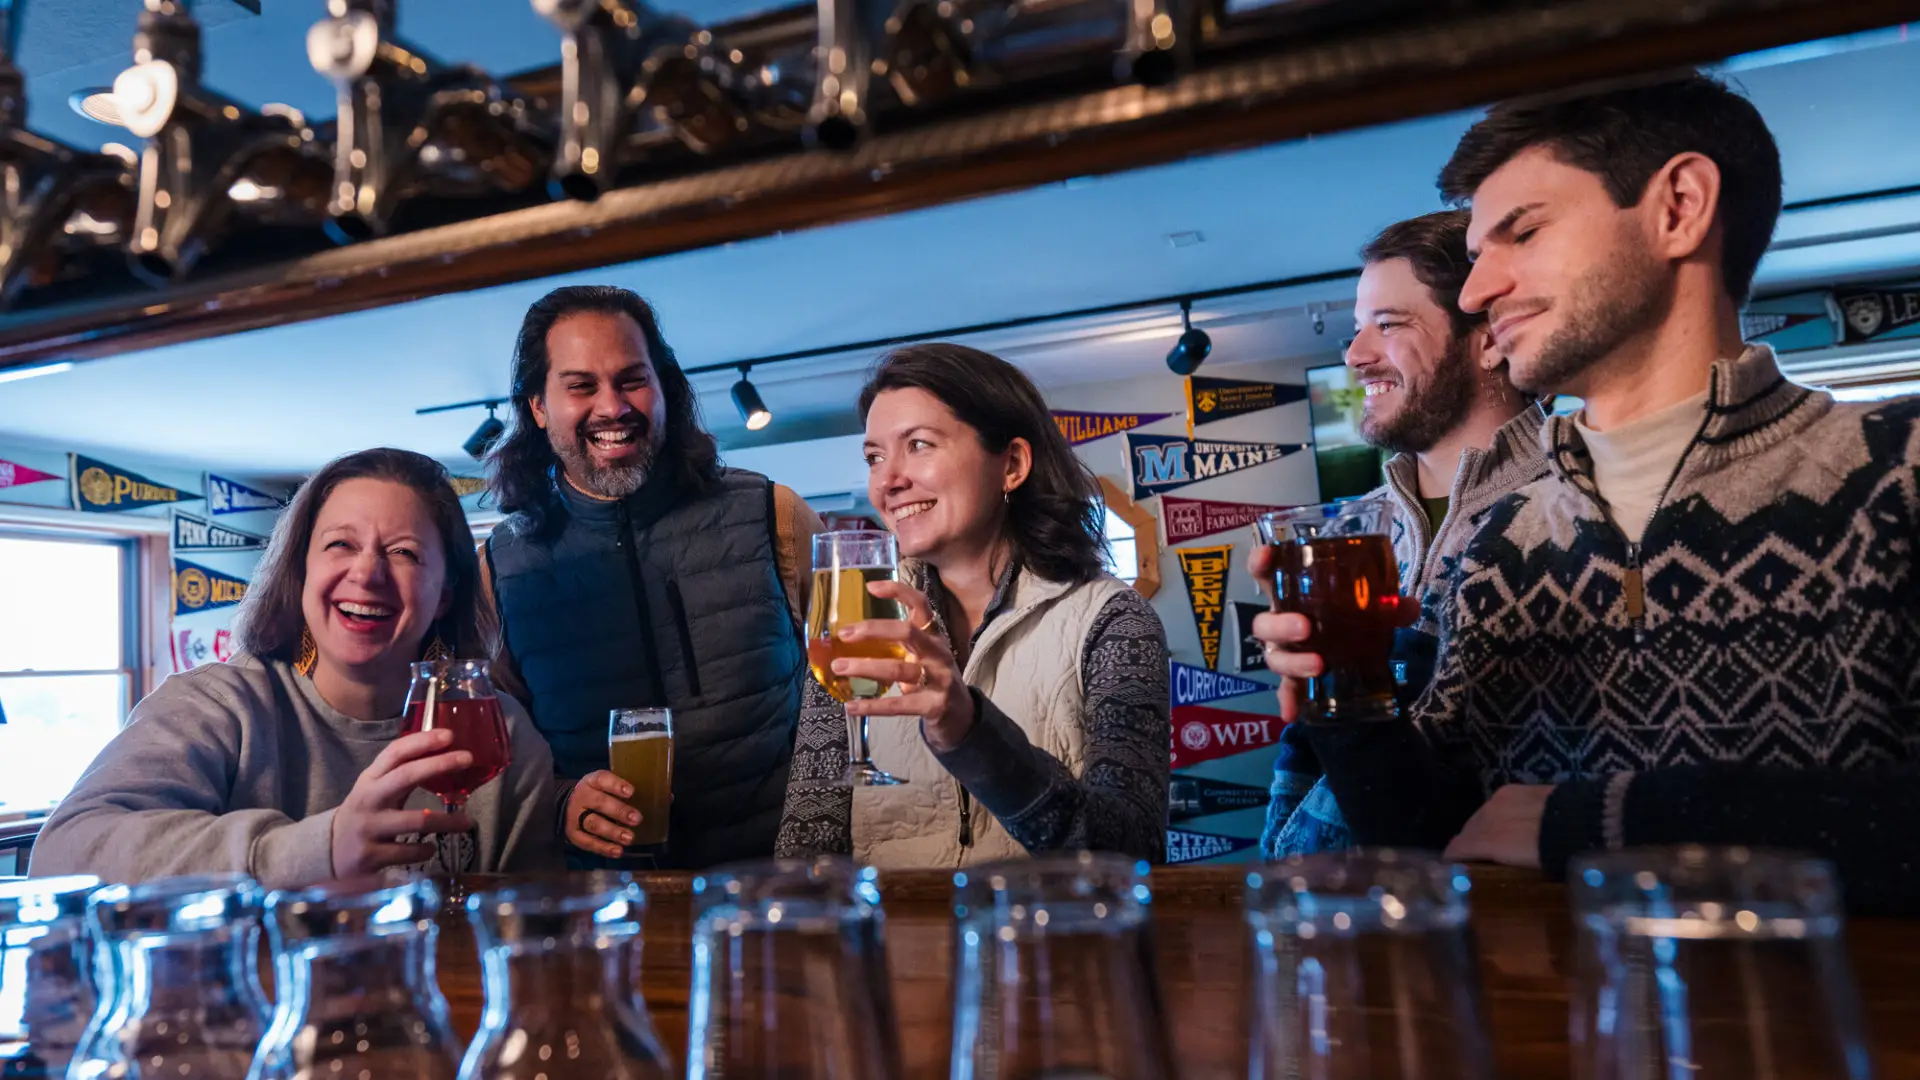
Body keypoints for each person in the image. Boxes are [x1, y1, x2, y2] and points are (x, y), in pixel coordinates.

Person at [1252, 74, 1920, 913]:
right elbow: (1438, 839)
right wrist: (1348, 700)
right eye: (1474, 257)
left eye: (1521, 232)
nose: (1474, 293)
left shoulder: (1897, 471)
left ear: (1679, 206)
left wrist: (1598, 822)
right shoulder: (1505, 544)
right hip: (1573, 1040)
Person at [31, 449, 562, 886]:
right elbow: (62, 855)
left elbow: (532, 936)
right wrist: (312, 850)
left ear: (445, 593)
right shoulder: (217, 707)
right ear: (301, 569)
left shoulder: (499, 733)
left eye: (403, 553)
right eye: (340, 545)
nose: (367, 573)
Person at [775, 343, 1171, 866]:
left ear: (1011, 465)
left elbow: (1131, 854)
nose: (888, 481)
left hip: (1045, 947)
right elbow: (806, 853)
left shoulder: (1114, 622)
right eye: (875, 457)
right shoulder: (853, 623)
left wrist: (971, 733)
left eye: (918, 444)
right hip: (895, 946)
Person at [482, 285, 822, 870]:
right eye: (581, 386)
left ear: (664, 388)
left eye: (632, 379)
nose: (613, 407)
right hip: (604, 913)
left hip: (778, 892)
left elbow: (862, 689)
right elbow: (503, 753)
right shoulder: (499, 566)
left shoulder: (774, 512)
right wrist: (560, 802)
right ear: (538, 407)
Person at [1263, 209, 1549, 859]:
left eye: (1387, 326)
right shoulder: (1356, 527)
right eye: (1356, 330)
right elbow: (1302, 750)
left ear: (1489, 338)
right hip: (1339, 924)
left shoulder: (1576, 508)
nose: (1355, 357)